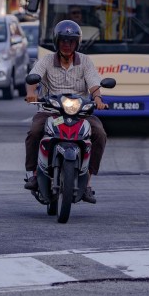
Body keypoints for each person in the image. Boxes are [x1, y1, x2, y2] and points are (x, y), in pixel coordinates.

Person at [24, 20, 108, 203]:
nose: (67, 45)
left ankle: (87, 183)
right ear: (57, 42)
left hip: (80, 112)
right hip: (50, 111)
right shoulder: (46, 59)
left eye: (71, 41)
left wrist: (99, 100)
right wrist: (31, 94)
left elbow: (94, 83)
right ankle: (33, 173)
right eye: (63, 41)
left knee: (100, 133)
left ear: (77, 43)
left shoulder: (85, 61)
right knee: (34, 131)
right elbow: (33, 79)